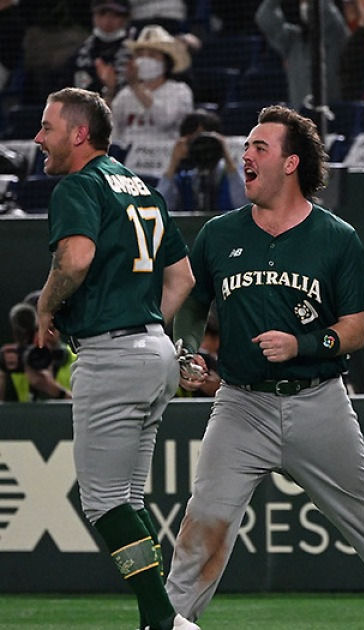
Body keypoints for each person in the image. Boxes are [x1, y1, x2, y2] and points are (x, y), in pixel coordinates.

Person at [163, 105, 364, 630]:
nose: (245, 155)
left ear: (291, 163)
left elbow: (358, 327)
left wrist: (303, 343)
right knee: (203, 523)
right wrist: (188, 346)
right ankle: (169, 624)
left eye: (258, 147)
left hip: (319, 401)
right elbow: (195, 301)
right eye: (245, 147)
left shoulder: (336, 237)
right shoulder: (219, 235)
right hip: (242, 405)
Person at [31, 87, 197, 630]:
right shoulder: (143, 189)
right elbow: (183, 277)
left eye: (48, 127)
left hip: (113, 353)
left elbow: (75, 260)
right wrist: (148, 323)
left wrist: (45, 305)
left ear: (79, 134)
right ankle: (160, 619)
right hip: (155, 351)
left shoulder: (79, 185)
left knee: (103, 502)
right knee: (127, 495)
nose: (39, 138)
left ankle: (163, 619)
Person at [110, 25, 194, 147]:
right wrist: (110, 89)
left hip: (163, 155)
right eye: (139, 55)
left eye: (152, 55)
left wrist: (136, 87)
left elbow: (165, 121)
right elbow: (110, 127)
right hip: (127, 158)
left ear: (166, 62)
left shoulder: (180, 91)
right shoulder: (125, 94)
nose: (144, 59)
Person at [256, 0, 350, 107]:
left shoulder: (335, 34)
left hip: (332, 114)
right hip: (299, 118)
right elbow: (264, 17)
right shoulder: (292, 40)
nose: (305, 7)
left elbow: (326, 14)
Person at [157, 110, 249, 213]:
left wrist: (226, 156)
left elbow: (244, 205)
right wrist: (173, 164)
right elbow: (160, 209)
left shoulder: (232, 173)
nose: (202, 148)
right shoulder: (182, 178)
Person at [1, 301, 75, 402]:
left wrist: (54, 390)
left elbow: (91, 410)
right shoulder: (13, 368)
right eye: (33, 332)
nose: (40, 338)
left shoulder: (77, 361)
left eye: (49, 330)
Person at [74, 0, 135, 101]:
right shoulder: (80, 55)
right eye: (102, 13)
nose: (108, 20)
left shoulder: (137, 51)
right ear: (93, 16)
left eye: (116, 14)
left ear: (126, 19)